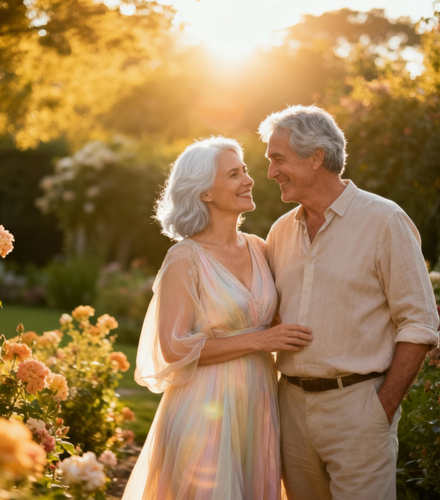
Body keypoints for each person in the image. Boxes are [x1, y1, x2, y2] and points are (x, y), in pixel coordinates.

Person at [258, 105, 439, 500]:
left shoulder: (385, 221)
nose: (271, 172)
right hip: (290, 407)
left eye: (278, 159)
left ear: (316, 157)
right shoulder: (279, 233)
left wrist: (381, 409)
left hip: (358, 408)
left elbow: (420, 324)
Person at [121, 137, 313, 500]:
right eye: (233, 174)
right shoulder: (184, 258)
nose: (248, 179)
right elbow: (173, 348)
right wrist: (260, 340)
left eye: (244, 170)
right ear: (205, 193)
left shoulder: (259, 247)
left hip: (258, 403)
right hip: (204, 407)